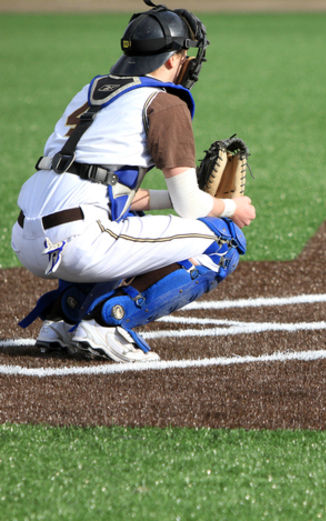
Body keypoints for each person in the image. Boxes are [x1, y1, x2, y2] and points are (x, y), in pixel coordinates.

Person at [11, 1, 256, 363]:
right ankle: (108, 326)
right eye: (184, 54)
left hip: (28, 238)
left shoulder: (92, 92)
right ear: (172, 59)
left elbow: (115, 192)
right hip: (79, 243)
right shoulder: (164, 102)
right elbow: (192, 206)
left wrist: (177, 199)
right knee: (224, 238)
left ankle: (64, 319)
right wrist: (232, 207)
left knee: (128, 219)